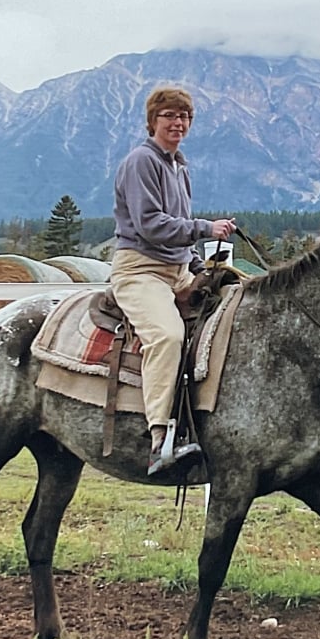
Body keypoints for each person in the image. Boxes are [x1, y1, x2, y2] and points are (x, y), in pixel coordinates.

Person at [110, 86, 236, 474]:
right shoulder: (141, 161)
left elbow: (178, 234)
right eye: (169, 115)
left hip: (177, 269)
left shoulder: (179, 165)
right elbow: (150, 225)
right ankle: (160, 438)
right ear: (152, 121)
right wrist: (205, 228)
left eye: (184, 116)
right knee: (166, 336)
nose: (177, 122)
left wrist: (199, 267)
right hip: (140, 270)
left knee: (236, 310)